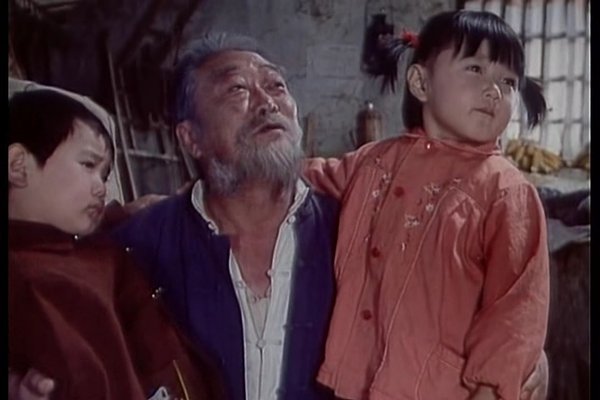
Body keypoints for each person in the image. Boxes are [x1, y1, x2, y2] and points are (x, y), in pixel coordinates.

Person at [10, 32, 549, 400]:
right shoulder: (139, 244)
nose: (268, 102)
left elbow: (460, 299)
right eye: (237, 90)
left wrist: (525, 362)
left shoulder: (364, 229)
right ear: (190, 138)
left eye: (277, 86)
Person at [303, 10, 550, 400]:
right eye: (475, 69)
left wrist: (492, 389)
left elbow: (516, 311)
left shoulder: (506, 191)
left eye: (508, 81)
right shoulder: (373, 161)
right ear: (420, 82)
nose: (494, 91)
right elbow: (299, 179)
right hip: (350, 383)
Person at [8, 89, 225, 400]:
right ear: (18, 166)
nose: (102, 187)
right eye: (88, 165)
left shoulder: (90, 247)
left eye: (105, 174)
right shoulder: (31, 276)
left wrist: (129, 215)